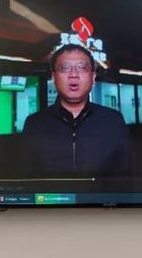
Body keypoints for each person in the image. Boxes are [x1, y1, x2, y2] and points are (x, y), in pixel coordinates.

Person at [22, 44, 131, 177]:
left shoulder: (113, 121)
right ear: (54, 77)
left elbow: (125, 180)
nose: (73, 75)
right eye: (65, 68)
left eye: (81, 68)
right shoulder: (34, 124)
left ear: (93, 77)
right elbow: (27, 181)